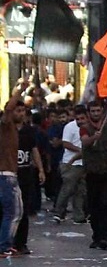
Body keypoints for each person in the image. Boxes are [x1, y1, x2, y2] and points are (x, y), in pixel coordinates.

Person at [80, 101, 107, 250]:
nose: (96, 113)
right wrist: (93, 138)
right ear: (89, 113)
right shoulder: (85, 129)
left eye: (98, 111)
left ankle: (104, 237)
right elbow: (85, 142)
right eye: (93, 111)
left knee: (105, 204)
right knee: (93, 206)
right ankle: (96, 236)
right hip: (92, 173)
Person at [0, 82, 29, 257]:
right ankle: (4, 245)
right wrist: (20, 90)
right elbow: (9, 109)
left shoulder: (13, 130)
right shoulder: (5, 126)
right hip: (6, 176)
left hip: (8, 176)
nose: (20, 113)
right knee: (15, 211)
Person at [14, 106, 45, 255]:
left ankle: (21, 243)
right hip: (8, 175)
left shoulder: (29, 131)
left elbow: (34, 150)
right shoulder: (5, 130)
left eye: (22, 111)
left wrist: (40, 169)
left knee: (24, 209)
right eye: (17, 111)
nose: (20, 114)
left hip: (25, 174)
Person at [52, 106, 88, 224]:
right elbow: (66, 143)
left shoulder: (89, 128)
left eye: (83, 118)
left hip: (83, 163)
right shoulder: (70, 127)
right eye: (78, 118)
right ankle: (58, 212)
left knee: (80, 191)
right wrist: (80, 151)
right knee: (67, 189)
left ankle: (79, 216)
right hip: (71, 163)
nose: (80, 121)